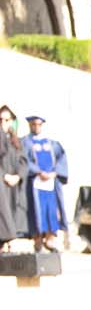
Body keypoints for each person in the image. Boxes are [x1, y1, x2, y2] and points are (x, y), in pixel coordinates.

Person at [21, 114, 68, 252]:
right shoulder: (25, 142)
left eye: (38, 124)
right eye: (33, 125)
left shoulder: (51, 143)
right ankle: (37, 241)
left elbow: (61, 159)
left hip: (51, 184)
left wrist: (55, 173)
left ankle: (50, 239)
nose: (36, 127)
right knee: (36, 212)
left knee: (51, 211)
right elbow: (23, 160)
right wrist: (37, 171)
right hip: (35, 183)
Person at [0, 105, 28, 248]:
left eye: (7, 119)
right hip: (2, 182)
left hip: (13, 185)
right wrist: (4, 176)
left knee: (12, 213)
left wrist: (18, 176)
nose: (4, 123)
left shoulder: (16, 141)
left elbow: (23, 161)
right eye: (1, 119)